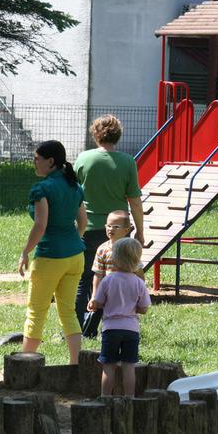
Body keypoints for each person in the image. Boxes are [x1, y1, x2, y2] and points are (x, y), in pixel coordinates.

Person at [74, 114, 144, 336]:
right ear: (118, 135)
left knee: (84, 279)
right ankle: (108, 325)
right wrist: (140, 231)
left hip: (87, 228)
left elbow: (73, 194)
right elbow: (134, 200)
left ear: (95, 134)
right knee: (115, 278)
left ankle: (77, 328)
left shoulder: (83, 159)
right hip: (118, 231)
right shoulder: (127, 162)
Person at [18, 140, 87, 365]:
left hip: (50, 258)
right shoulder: (74, 186)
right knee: (68, 312)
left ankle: (25, 365)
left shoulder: (42, 189)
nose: (34, 162)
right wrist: (72, 241)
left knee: (36, 312)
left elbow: (41, 225)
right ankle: (75, 365)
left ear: (50, 161)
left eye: (37, 158)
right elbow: (83, 222)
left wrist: (25, 252)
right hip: (75, 257)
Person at [87, 237, 151, 397]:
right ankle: (130, 398)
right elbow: (144, 308)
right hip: (131, 330)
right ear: (136, 261)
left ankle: (105, 397)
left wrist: (95, 304)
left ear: (114, 259)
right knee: (129, 367)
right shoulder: (139, 283)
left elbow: (99, 302)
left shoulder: (108, 280)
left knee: (108, 366)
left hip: (110, 329)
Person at [82, 210, 145, 336]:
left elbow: (138, 271)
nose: (111, 229)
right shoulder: (102, 249)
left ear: (126, 230)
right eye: (108, 226)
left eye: (116, 226)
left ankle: (128, 333)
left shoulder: (129, 249)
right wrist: (94, 296)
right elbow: (98, 274)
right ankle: (100, 334)